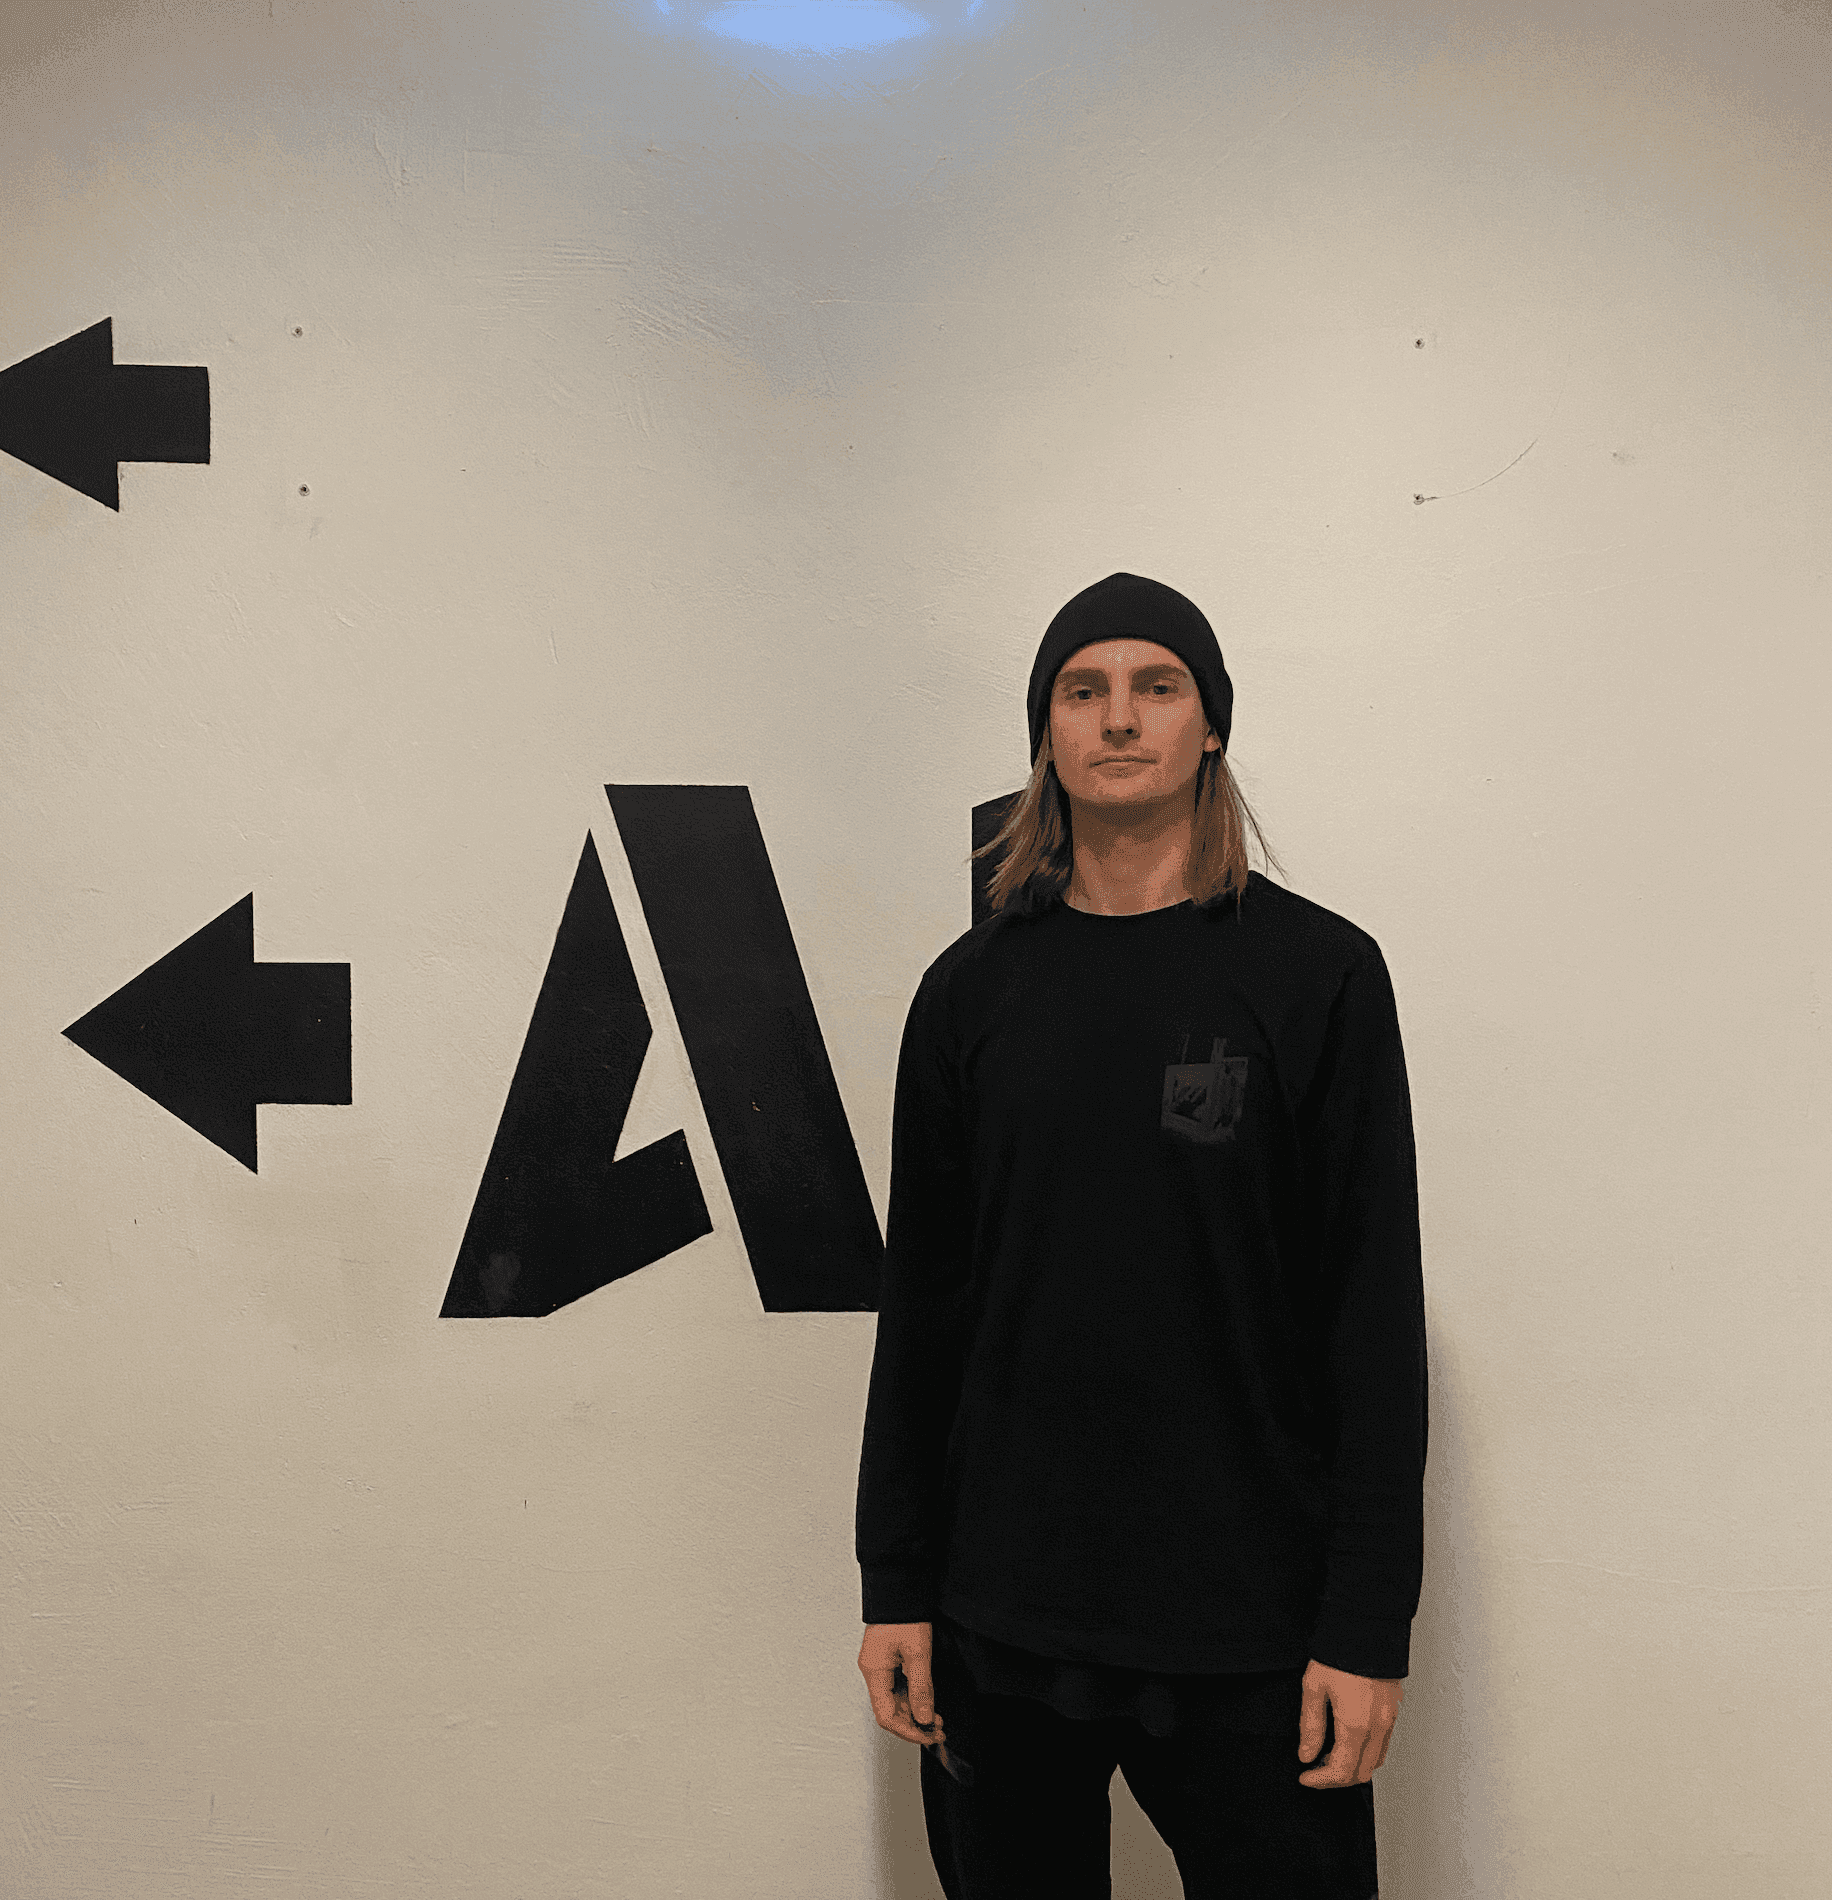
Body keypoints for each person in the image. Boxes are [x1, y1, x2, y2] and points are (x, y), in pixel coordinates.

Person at [854, 573, 1428, 1900]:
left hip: (1252, 1629)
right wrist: (897, 1581)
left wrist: (1365, 1625)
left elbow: (1369, 1318)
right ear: (1046, 732)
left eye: (1156, 686)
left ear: (1209, 724)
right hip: (1001, 1621)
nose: (1119, 718)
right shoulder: (970, 993)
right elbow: (925, 1312)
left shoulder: (1320, 975)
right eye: (1084, 690)